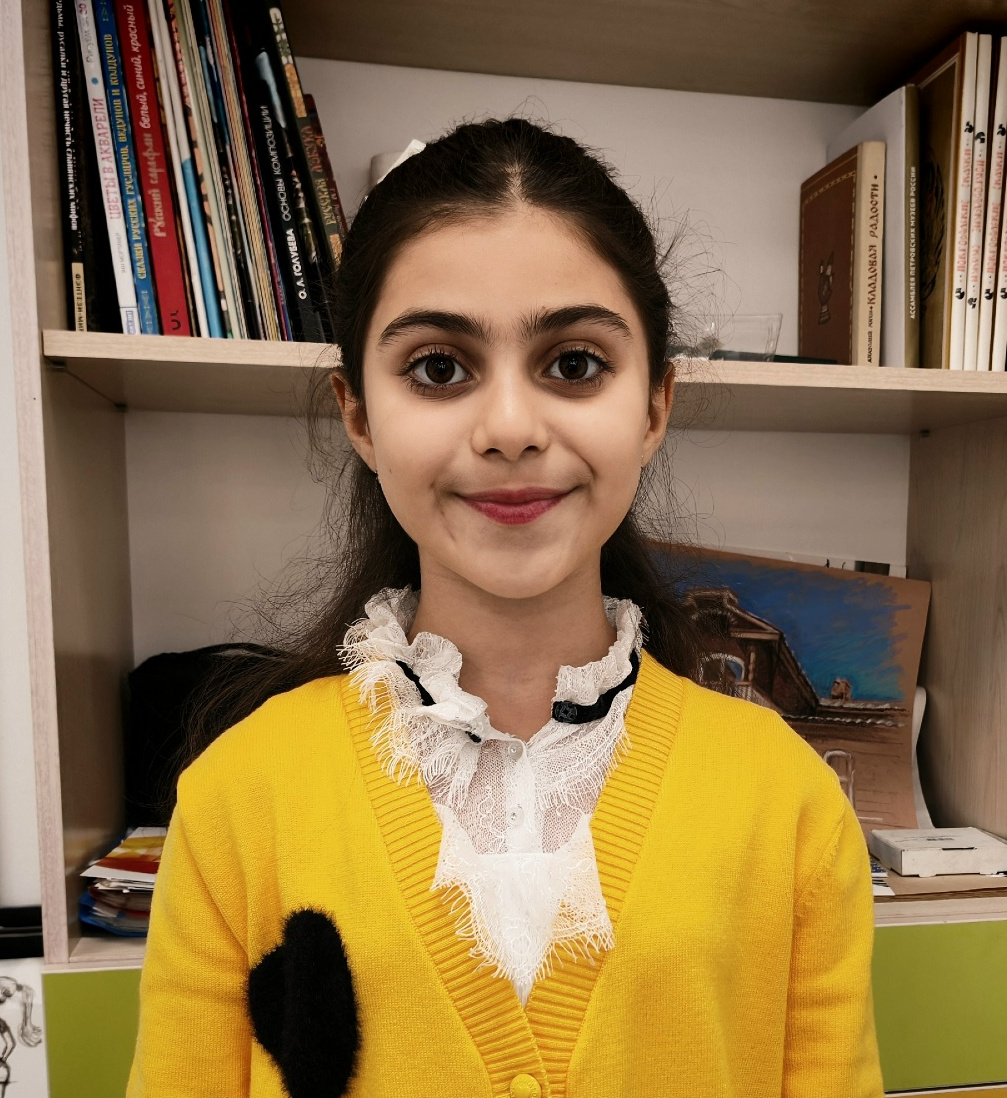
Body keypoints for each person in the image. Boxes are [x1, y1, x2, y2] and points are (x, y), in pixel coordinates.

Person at [127, 118, 884, 1098]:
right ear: (358, 414)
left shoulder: (788, 804)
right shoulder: (236, 798)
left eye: (573, 364)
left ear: (653, 405)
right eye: (438, 368)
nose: (511, 429)